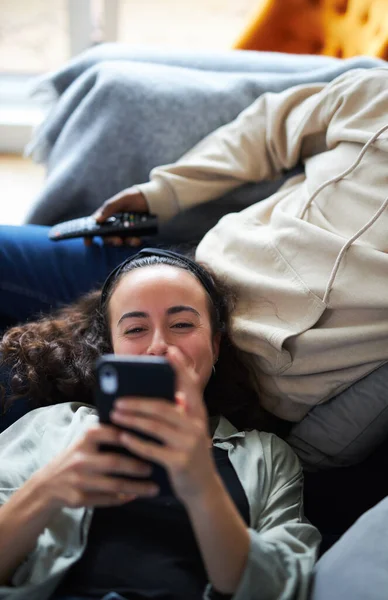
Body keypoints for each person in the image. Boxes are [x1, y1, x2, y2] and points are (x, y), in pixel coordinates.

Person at [1, 66, 388, 424]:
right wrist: (163, 193)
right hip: (187, 272)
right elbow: (269, 130)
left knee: (16, 392)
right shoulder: (375, 94)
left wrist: (308, 463)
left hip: (251, 382)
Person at [0, 248, 320, 600]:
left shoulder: (269, 456)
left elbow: (284, 588)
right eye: (135, 329)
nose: (158, 346)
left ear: (215, 345)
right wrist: (46, 490)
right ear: (112, 350)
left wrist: (202, 488)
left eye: (181, 324)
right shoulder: (53, 426)